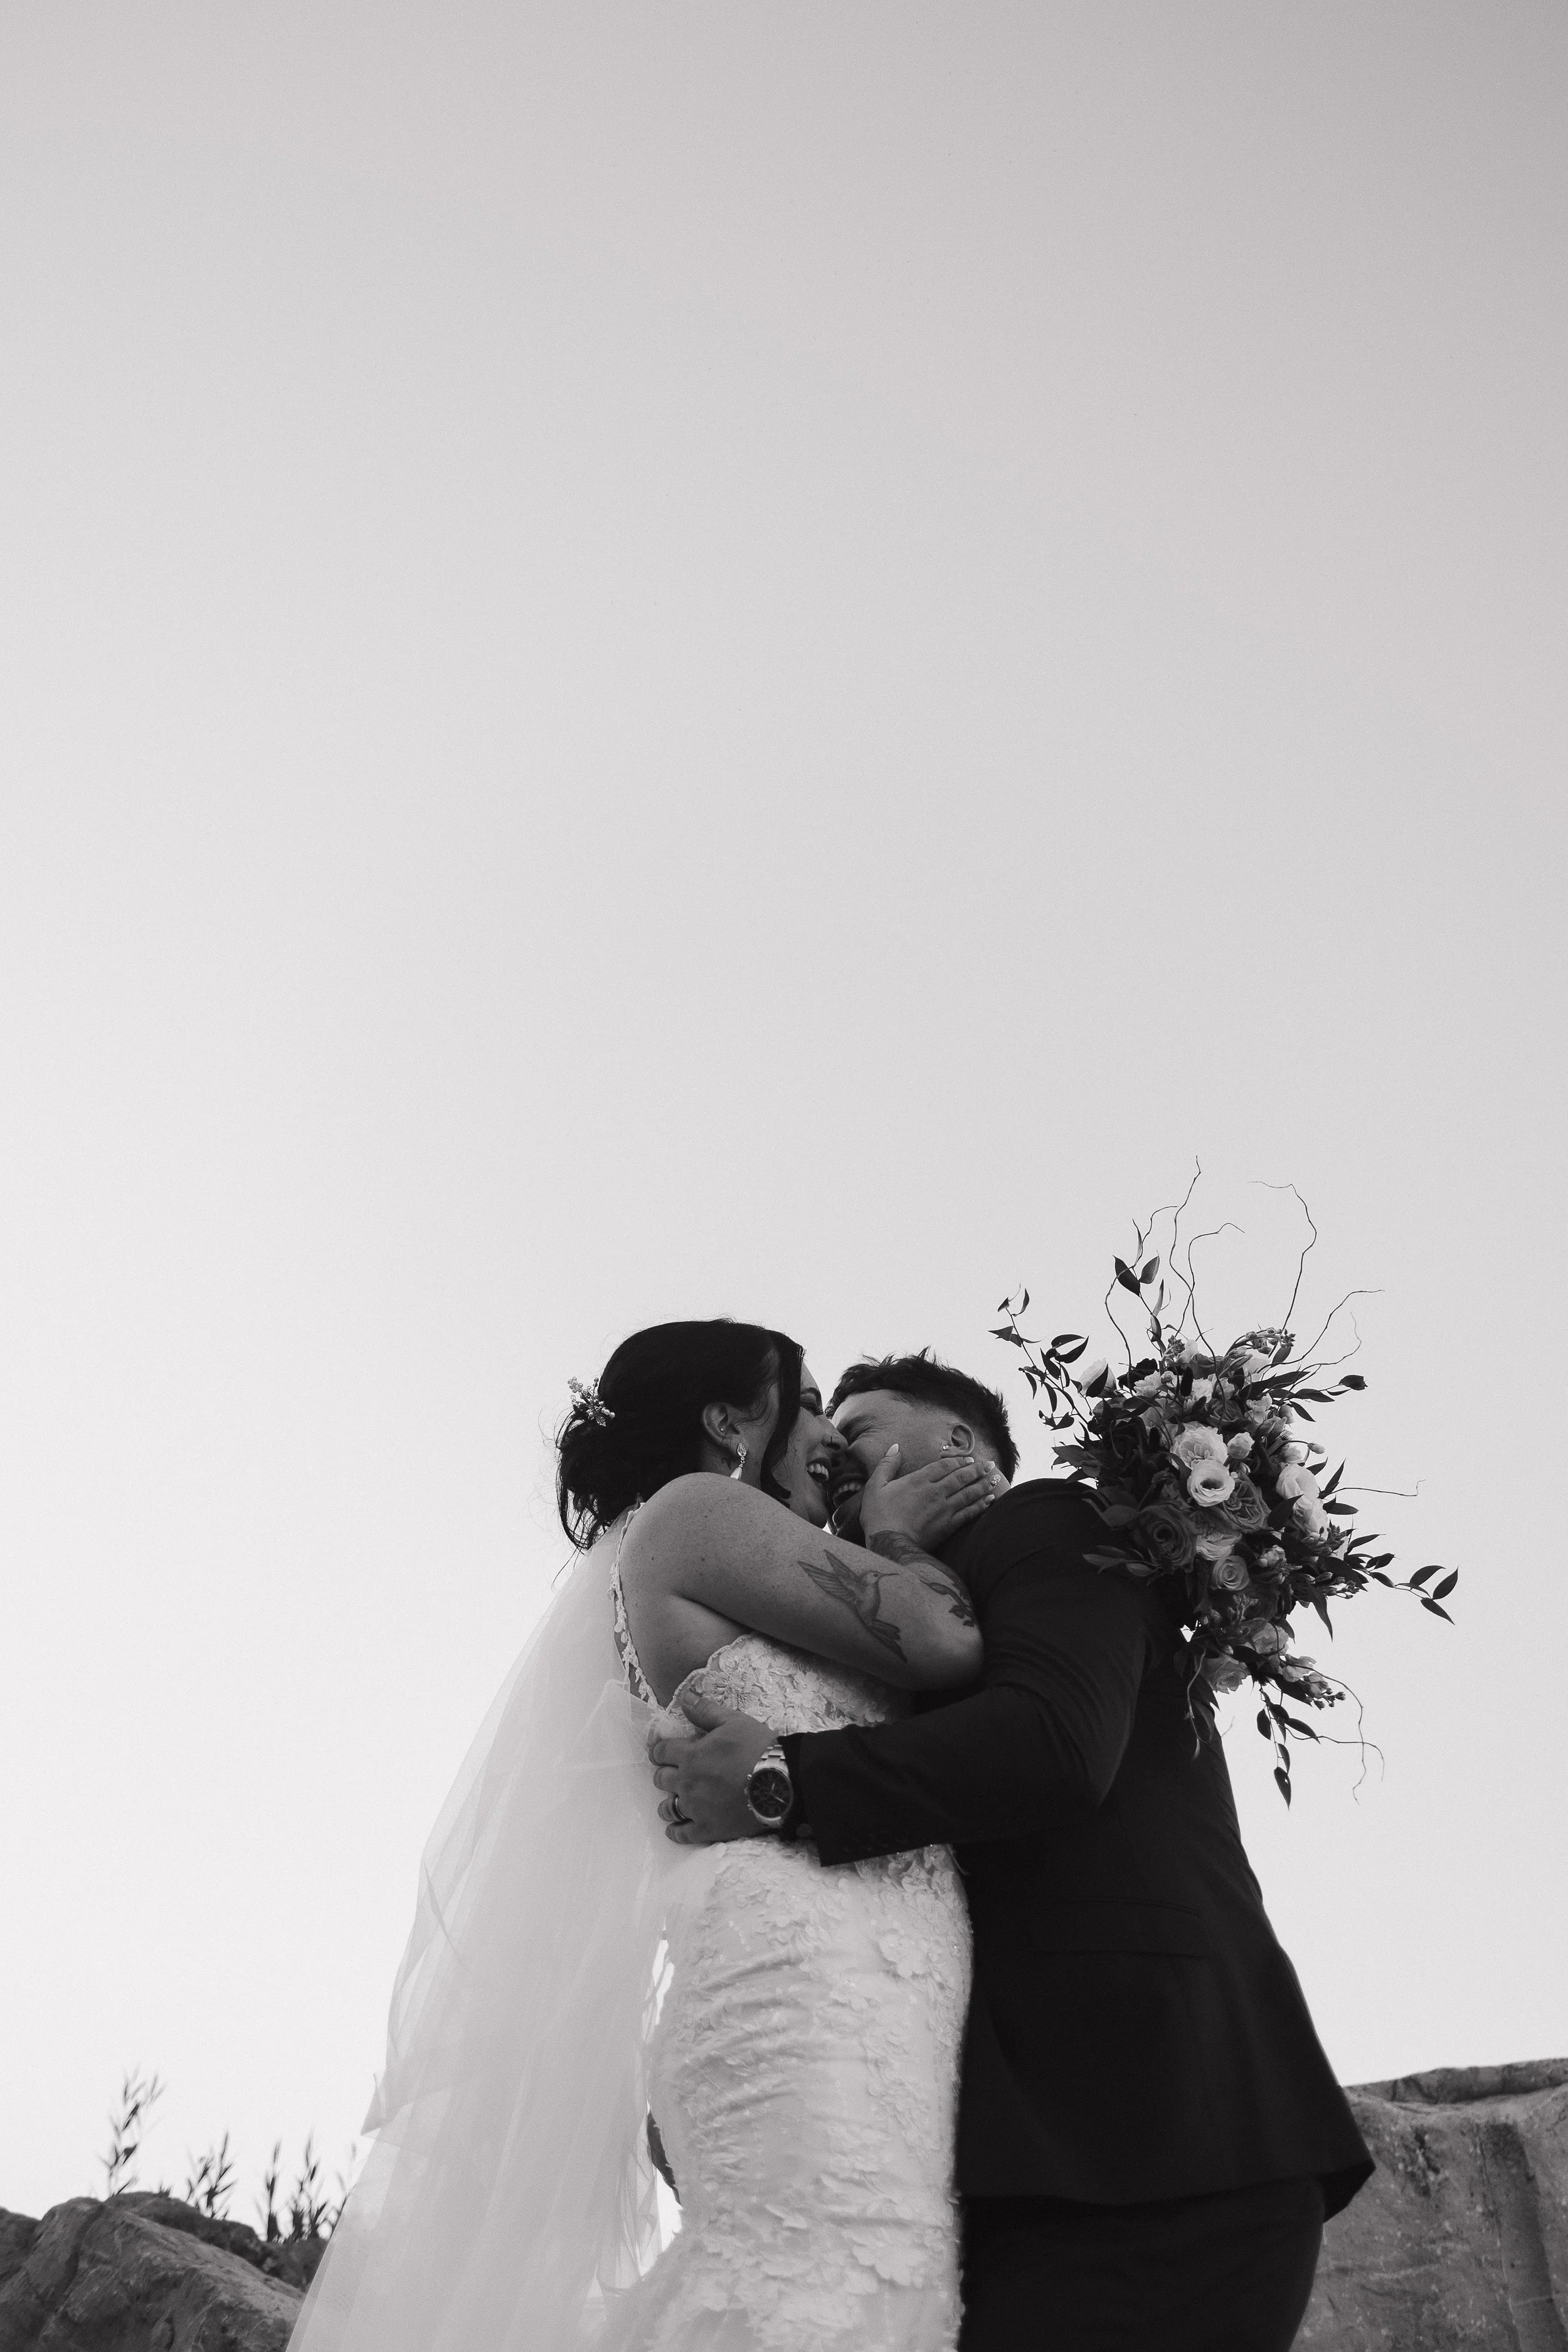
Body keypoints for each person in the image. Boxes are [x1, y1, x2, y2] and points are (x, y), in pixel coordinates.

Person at [289, 1319, 1001, 2352]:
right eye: (801, 1401)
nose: (829, 1440)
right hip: (804, 1973)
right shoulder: (696, 1510)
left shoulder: (744, 1550)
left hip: (880, 1978)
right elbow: (942, 1636)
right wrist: (891, 1532)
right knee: (830, 2280)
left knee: (873, 2284)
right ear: (728, 1419)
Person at [651, 1350, 1375, 2352]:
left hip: (1160, 2134)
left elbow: (1054, 1745)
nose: (836, 1458)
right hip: (1033, 2155)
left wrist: (787, 1779)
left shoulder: (1048, 1523)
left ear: (959, 1449)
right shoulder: (891, 1601)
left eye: (859, 1428)